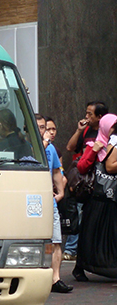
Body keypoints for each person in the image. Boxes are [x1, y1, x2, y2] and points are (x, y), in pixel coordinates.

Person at [72, 113, 117, 281]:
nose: (114, 130)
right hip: (95, 197)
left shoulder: (113, 144)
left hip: (110, 197)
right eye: (112, 126)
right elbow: (82, 167)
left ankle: (107, 266)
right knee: (89, 233)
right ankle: (80, 267)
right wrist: (94, 150)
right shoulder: (96, 144)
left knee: (107, 234)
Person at [63, 101, 107, 261]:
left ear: (100, 117)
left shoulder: (106, 135)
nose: (86, 116)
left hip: (101, 180)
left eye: (90, 114)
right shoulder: (86, 130)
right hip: (84, 180)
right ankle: (72, 249)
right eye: (86, 113)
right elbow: (70, 147)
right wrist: (78, 131)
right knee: (79, 211)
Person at [38, 115, 72, 293]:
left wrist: (60, 192)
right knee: (41, 241)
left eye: (45, 127)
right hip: (33, 201)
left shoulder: (50, 149)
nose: (44, 131)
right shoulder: (28, 147)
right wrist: (42, 144)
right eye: (40, 128)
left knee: (55, 240)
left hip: (49, 201)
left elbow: (56, 171)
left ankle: (55, 278)